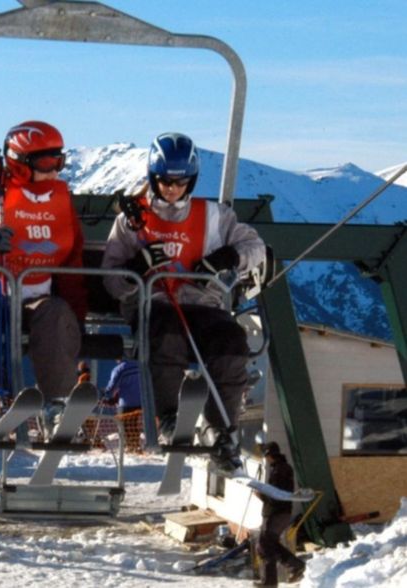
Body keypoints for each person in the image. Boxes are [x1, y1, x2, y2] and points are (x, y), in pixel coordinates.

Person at [101, 132, 265, 471]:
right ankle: (168, 418)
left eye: (181, 182)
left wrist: (228, 257)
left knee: (231, 341)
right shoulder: (132, 221)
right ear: (153, 178)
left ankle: (222, 428)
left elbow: (255, 247)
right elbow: (111, 280)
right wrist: (137, 267)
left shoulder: (215, 216)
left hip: (205, 306)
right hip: (156, 304)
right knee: (167, 334)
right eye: (165, 181)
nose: (172, 188)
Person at [0, 120, 87, 403]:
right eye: (46, 163)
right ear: (20, 163)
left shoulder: (60, 206)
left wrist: (76, 317)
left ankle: (58, 404)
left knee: (55, 313)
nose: (54, 171)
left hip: (32, 298)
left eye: (59, 162)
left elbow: (71, 264)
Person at [255, 442, 306, 586]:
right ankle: (295, 566)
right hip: (282, 512)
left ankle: (270, 582)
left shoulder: (279, 471)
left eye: (266, 456)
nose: (266, 459)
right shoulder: (283, 468)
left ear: (270, 455)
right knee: (270, 544)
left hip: (276, 513)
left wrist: (260, 495)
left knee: (264, 545)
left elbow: (276, 496)